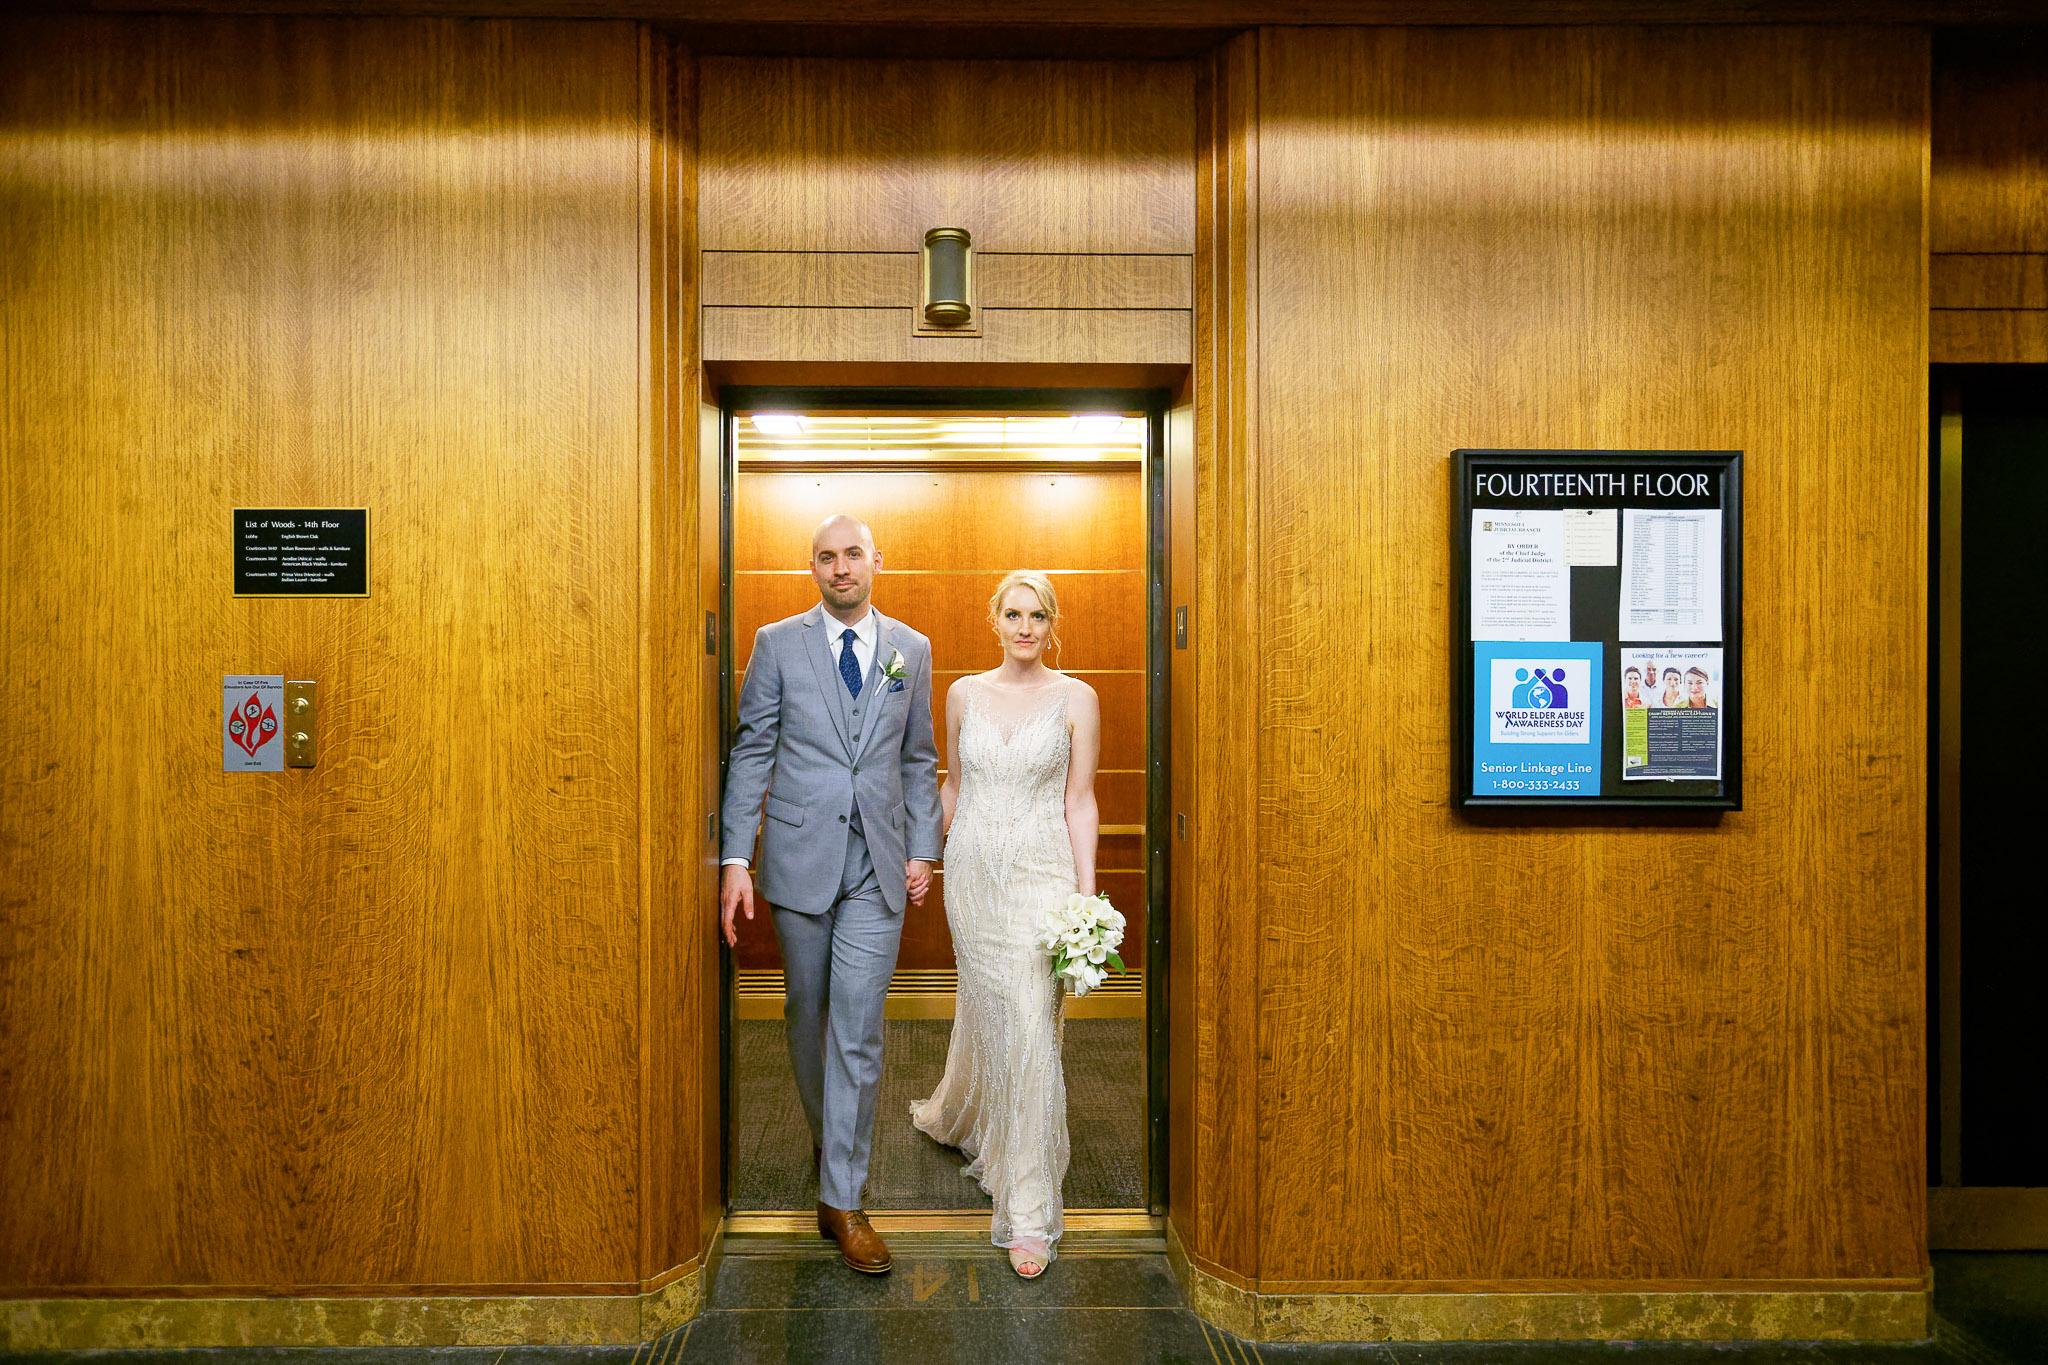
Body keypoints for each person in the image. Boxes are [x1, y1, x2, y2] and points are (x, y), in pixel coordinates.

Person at [719, 514, 943, 1276]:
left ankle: (844, 1197)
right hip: (798, 859)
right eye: (826, 557)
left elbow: (918, 756)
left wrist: (922, 847)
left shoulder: (911, 649)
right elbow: (752, 749)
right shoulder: (777, 643)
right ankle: (830, 1137)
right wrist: (735, 857)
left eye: (852, 554)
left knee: (858, 1027)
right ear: (811, 567)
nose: (841, 567)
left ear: (876, 560)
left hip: (876, 865)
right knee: (806, 1017)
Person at [910, 571, 1101, 1281]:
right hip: (973, 881)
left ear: (1052, 625)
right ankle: (974, 1118)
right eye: (1014, 614)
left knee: (1029, 1025)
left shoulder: (1077, 698)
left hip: (1043, 879)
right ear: (994, 620)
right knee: (994, 1015)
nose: (1025, 627)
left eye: (1038, 616)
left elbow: (1080, 801)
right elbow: (954, 785)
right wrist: (925, 854)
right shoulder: (964, 694)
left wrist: (1086, 895)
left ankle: (1028, 1207)